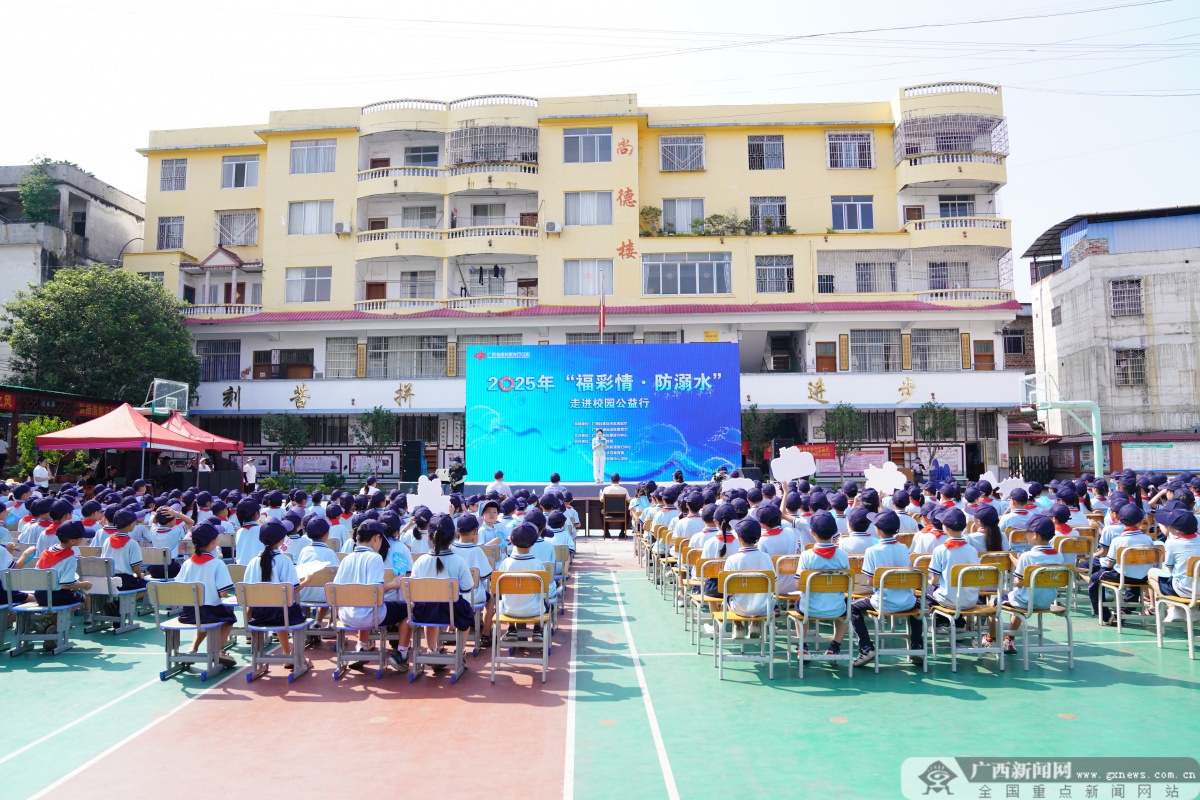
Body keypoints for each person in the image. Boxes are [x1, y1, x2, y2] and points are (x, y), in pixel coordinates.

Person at [333, 521, 410, 669]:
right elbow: (376, 591)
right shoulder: (375, 558)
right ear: (376, 538)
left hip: (345, 615)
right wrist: (394, 584)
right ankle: (402, 654)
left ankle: (361, 647)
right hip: (370, 616)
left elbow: (335, 589)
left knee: (365, 605)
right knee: (410, 608)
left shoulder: (347, 559)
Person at [852, 515, 922, 668]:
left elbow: (871, 582)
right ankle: (917, 646)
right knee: (919, 605)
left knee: (852, 608)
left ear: (877, 529)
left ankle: (866, 647)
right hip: (907, 602)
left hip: (883, 603)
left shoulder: (872, 551)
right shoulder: (903, 548)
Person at [988, 515, 1064, 655]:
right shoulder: (1058, 555)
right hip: (1047, 601)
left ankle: (990, 639)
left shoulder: (1027, 556)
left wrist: (1020, 564)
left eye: (1027, 532)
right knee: (1017, 599)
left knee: (993, 603)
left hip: (1027, 601)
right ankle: (1009, 638)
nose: (1025, 535)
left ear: (1034, 535)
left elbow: (1019, 582)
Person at [409, 514, 475, 662]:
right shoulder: (458, 561)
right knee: (467, 612)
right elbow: (467, 587)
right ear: (453, 536)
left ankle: (432, 650)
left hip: (424, 613)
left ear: (429, 537)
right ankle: (460, 651)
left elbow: (413, 589)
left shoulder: (420, 561)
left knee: (428, 606)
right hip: (451, 612)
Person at [243, 521, 312, 660]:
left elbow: (247, 590)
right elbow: (292, 590)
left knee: (280, 607)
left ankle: (285, 653)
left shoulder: (253, 562)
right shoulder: (284, 560)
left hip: (259, 614)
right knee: (294, 613)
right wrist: (307, 581)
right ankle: (297, 658)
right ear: (281, 540)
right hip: (282, 613)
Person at [174, 523, 237, 668]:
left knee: (201, 615)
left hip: (188, 612)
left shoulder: (187, 563)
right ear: (214, 542)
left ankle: (192, 648)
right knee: (229, 618)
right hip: (210, 611)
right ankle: (217, 649)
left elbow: (179, 587)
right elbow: (223, 592)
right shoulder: (217, 564)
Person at [797, 510, 851, 656]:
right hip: (837, 608)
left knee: (798, 605)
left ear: (812, 532)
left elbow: (798, 584)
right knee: (848, 609)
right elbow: (848, 583)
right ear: (834, 531)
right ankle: (835, 646)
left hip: (809, 609)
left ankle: (802, 646)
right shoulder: (843, 555)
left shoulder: (806, 555)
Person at [722, 518, 776, 639]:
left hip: (739, 608)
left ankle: (738, 626)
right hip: (764, 608)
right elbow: (773, 583)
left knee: (727, 597)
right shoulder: (766, 557)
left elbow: (727, 590)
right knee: (760, 595)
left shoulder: (732, 559)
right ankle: (754, 623)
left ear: (739, 538)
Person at [601, 473, 630, 539]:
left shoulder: (606, 489)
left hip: (609, 513)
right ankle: (622, 532)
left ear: (610, 481)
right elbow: (629, 501)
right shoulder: (624, 490)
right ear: (619, 480)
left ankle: (606, 532)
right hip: (621, 513)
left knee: (602, 512)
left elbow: (602, 500)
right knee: (628, 512)